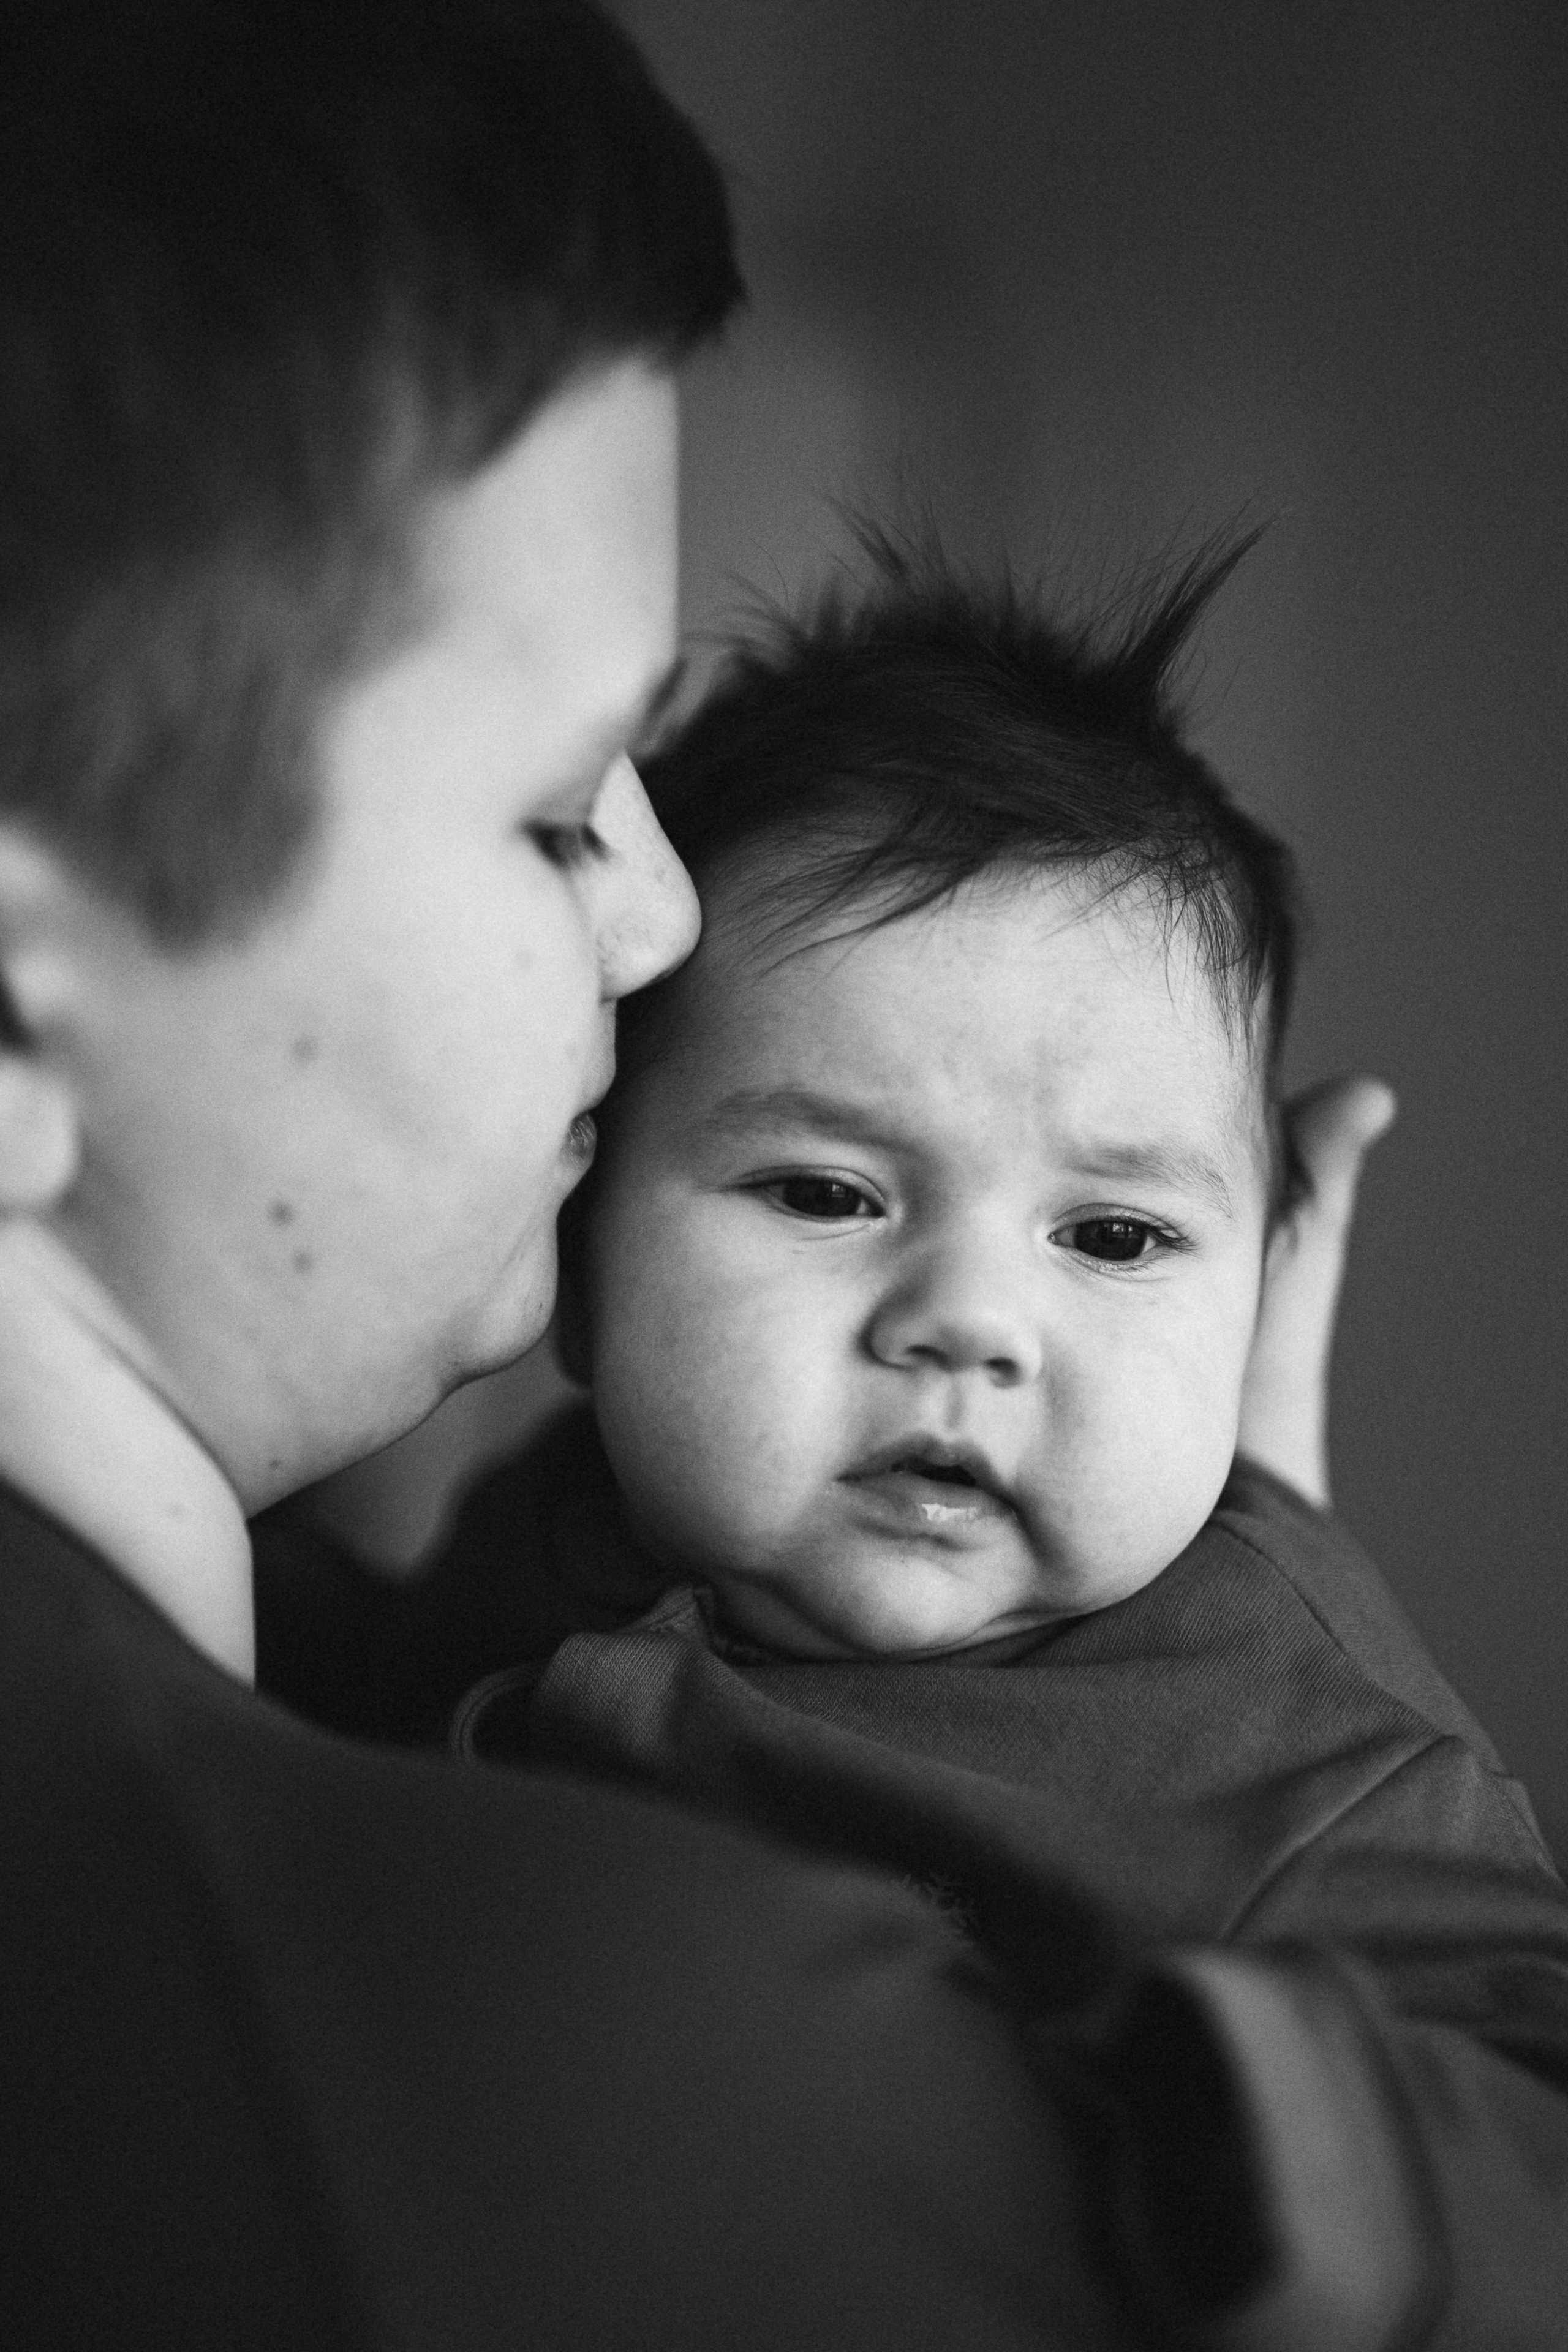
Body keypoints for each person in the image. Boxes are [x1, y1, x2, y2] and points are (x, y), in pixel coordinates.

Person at [0, 3, 1523, 2348]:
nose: (654, 925)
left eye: (1119, 1234)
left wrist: (1207, 2114)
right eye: (553, 803)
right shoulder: (548, 1773)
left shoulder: (1268, 1747)